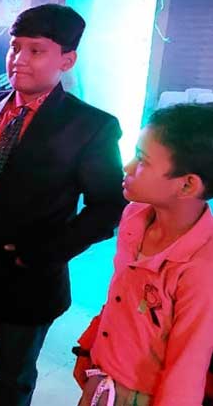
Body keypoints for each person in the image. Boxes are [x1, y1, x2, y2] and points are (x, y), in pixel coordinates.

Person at [0, 4, 128, 406]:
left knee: (12, 379)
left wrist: (46, 252)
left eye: (36, 50)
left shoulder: (90, 126)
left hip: (29, 278)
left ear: (67, 59)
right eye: (15, 46)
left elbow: (107, 207)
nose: (19, 59)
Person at [73, 103, 213, 406]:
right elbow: (120, 298)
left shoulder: (201, 266)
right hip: (102, 376)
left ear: (188, 184)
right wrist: (93, 349)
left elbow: (187, 367)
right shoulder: (135, 217)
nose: (127, 166)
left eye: (143, 161)